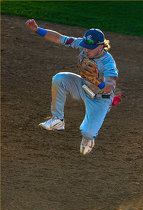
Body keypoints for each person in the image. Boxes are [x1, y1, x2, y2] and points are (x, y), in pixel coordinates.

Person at [25, 19, 119, 155]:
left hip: (100, 98)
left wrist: (97, 82)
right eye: (85, 46)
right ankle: (58, 120)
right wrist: (37, 29)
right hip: (82, 86)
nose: (86, 50)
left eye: (90, 48)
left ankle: (88, 139)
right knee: (59, 79)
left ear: (101, 47)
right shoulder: (82, 44)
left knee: (88, 132)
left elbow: (110, 87)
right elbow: (59, 38)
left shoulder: (108, 62)